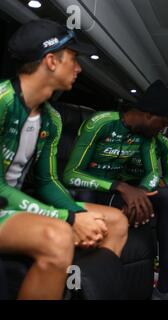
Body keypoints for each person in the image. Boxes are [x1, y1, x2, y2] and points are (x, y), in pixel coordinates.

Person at [0, 19, 128, 300]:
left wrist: (76, 214)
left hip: (16, 204)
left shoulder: (52, 119)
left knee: (116, 221)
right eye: (73, 58)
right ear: (50, 61)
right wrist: (68, 217)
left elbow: (46, 181)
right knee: (58, 236)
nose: (79, 68)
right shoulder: (3, 102)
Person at [63, 80, 168, 300]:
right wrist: (122, 187)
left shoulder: (147, 136)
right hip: (89, 193)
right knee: (85, 194)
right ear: (149, 115)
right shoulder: (100, 123)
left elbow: (152, 174)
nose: (163, 130)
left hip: (118, 195)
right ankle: (79, 283)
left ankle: (165, 288)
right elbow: (71, 174)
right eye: (162, 124)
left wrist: (138, 193)